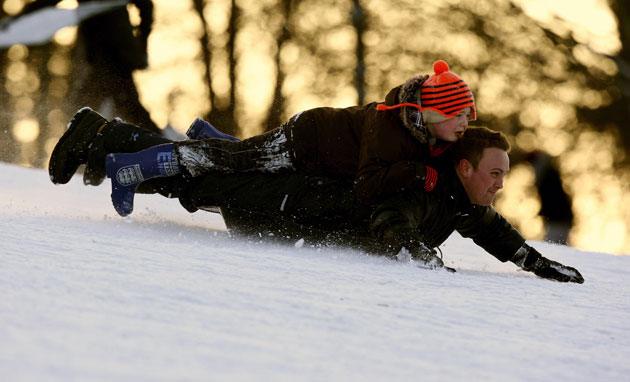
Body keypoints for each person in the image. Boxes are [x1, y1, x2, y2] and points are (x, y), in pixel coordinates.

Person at [47, 111, 584, 283]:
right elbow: (392, 219)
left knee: (205, 177)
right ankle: (102, 137)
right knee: (200, 184)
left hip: (295, 209)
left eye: (504, 175)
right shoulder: (426, 185)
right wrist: (416, 254)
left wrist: (533, 260)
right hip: (287, 205)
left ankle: (105, 147)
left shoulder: (461, 197)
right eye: (495, 174)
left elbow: (492, 230)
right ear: (465, 167)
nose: (500, 185)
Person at [49, 60, 475, 216]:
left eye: (469, 117)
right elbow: (367, 185)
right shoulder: (394, 132)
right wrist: (418, 174)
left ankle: (213, 139)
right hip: (304, 141)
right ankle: (131, 167)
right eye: (459, 116)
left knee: (234, 158)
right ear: (433, 113)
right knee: (229, 162)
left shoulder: (420, 132)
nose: (464, 125)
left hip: (313, 149)